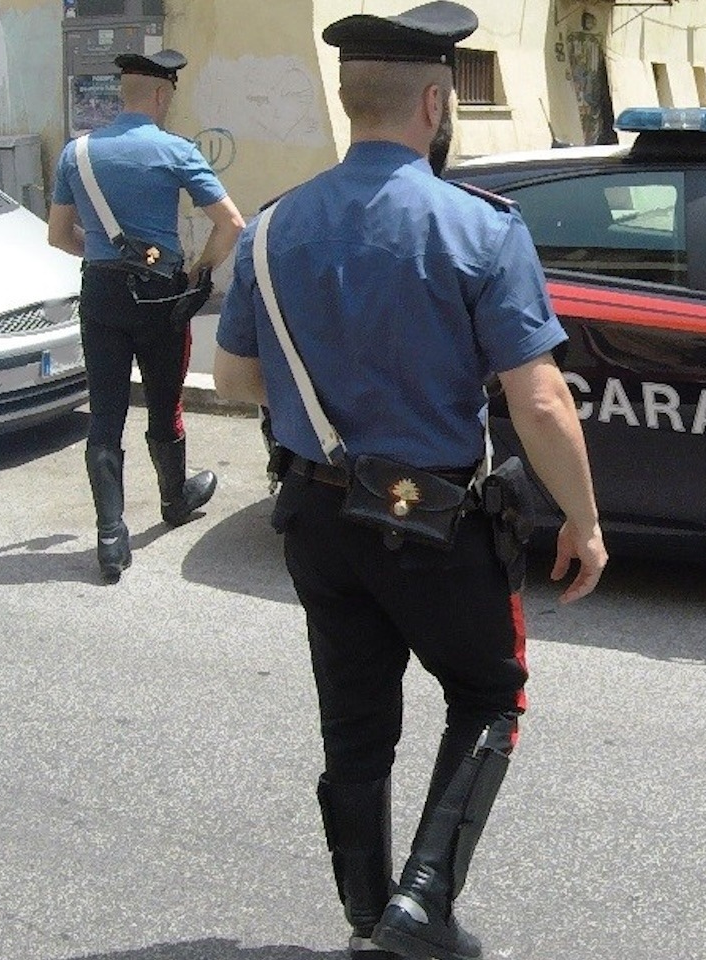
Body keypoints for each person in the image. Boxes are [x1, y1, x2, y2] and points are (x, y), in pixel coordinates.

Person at [211, 4, 606, 960]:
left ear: (353, 102)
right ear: (434, 102)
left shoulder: (268, 230)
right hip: (429, 519)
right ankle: (420, 912)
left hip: (311, 510)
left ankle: (364, 910)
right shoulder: (479, 228)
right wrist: (585, 522)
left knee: (355, 722)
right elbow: (543, 404)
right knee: (487, 695)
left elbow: (231, 383)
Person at [48, 49, 245, 584]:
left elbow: (59, 236)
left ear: (123, 94)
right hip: (161, 297)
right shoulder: (175, 150)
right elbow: (230, 224)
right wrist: (200, 271)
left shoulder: (78, 153)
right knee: (165, 402)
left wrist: (109, 254)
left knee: (106, 415)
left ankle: (111, 538)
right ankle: (174, 500)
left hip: (101, 297)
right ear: (161, 95)